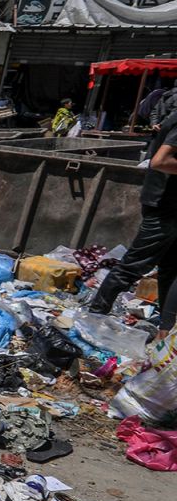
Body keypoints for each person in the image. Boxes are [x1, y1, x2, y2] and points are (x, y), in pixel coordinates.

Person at [89, 109, 177, 336]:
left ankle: (166, 329)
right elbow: (160, 161)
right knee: (134, 265)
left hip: (168, 204)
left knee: (171, 268)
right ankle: (94, 316)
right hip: (165, 206)